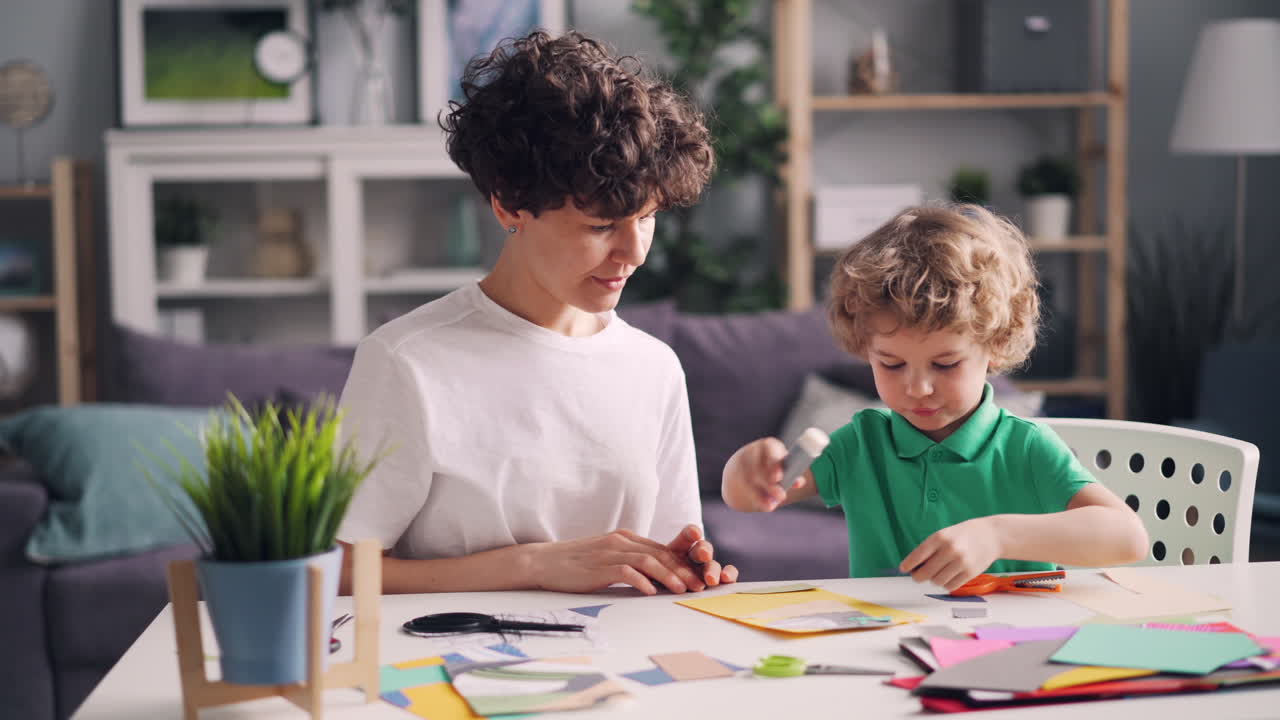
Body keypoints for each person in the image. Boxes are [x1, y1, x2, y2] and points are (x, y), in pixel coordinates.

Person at [334, 30, 737, 596]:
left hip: (625, 669)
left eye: (647, 218)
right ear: (508, 204)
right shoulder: (408, 361)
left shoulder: (655, 368)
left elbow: (656, 557)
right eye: (601, 226)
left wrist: (684, 570)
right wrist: (532, 565)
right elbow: (336, 573)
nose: (635, 252)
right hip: (455, 666)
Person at [720, 204, 1148, 591]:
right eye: (891, 365)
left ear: (995, 344)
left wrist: (997, 535)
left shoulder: (1026, 447)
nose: (918, 388)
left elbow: (1128, 538)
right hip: (884, 642)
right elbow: (746, 499)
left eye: (945, 365)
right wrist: (750, 470)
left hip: (1009, 645)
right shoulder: (861, 443)